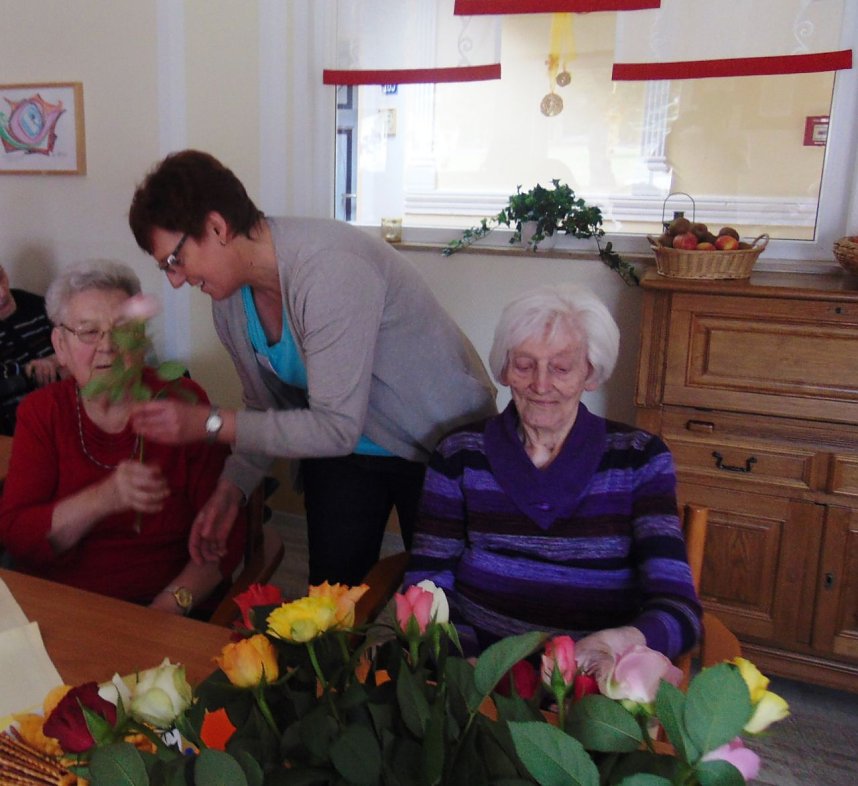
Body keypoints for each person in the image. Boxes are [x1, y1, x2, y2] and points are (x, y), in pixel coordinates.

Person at [126, 150, 496, 586]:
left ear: (216, 227)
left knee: (440, 609)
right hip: (345, 449)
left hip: (439, 441)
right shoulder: (228, 302)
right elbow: (265, 409)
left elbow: (335, 425)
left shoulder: (329, 267)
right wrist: (231, 490)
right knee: (330, 613)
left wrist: (209, 423)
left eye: (174, 260)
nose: (174, 280)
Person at [402, 283, 701, 661]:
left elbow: (679, 608)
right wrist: (468, 667)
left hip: (592, 683)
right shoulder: (459, 455)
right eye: (525, 365)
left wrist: (618, 645)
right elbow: (428, 582)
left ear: (590, 374)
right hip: (475, 669)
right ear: (505, 370)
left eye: (561, 367)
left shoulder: (639, 459)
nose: (541, 385)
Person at [0, 261, 245, 616]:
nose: (108, 346)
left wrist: (170, 607)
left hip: (162, 606)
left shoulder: (181, 403)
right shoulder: (43, 412)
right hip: (63, 609)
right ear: (60, 345)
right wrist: (104, 498)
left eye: (122, 329)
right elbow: (17, 537)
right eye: (88, 332)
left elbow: (226, 533)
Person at [0, 264, 62, 435]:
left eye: (1, 277)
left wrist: (54, 361)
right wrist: (32, 373)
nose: (3, 293)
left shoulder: (36, 305)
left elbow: (77, 342)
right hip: (19, 429)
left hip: (68, 404)